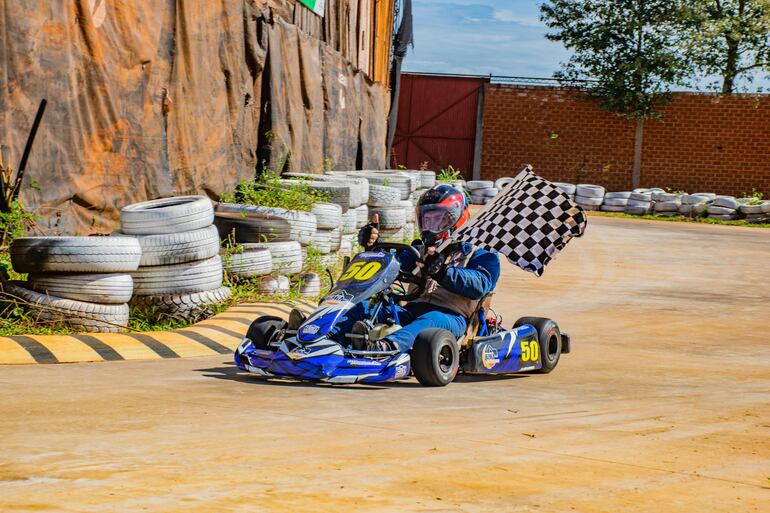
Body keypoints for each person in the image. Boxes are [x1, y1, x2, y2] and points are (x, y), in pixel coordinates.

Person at [327, 184, 501, 353]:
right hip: (412, 310)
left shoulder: (482, 252)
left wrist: (443, 273)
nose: (431, 225)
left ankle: (385, 348)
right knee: (365, 307)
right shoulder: (418, 251)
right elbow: (393, 265)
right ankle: (325, 337)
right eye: (428, 219)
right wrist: (375, 247)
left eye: (439, 219)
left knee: (430, 320)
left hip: (452, 317)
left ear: (457, 218)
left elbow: (480, 285)